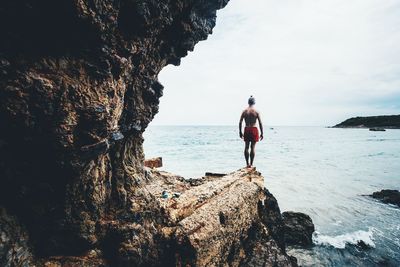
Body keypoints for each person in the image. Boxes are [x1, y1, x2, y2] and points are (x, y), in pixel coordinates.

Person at [239, 96, 263, 168]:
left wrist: (240, 132)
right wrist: (262, 133)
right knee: (252, 147)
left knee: (246, 147)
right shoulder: (256, 111)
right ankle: (251, 164)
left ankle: (247, 164)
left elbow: (240, 122)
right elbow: (260, 123)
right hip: (254, 129)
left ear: (248, 102)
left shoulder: (244, 111)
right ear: (254, 102)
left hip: (247, 129)